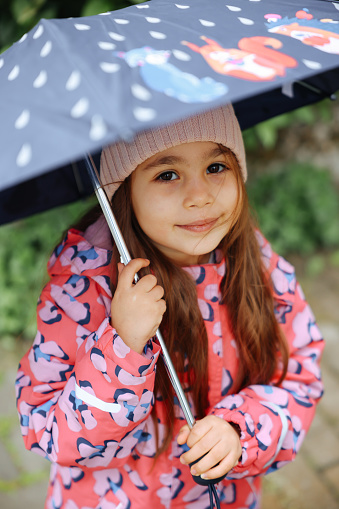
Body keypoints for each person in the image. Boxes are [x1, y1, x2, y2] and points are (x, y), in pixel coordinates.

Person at [16, 104, 324, 509]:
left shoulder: (258, 268)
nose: (200, 196)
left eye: (216, 167)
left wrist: (240, 430)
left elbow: (300, 376)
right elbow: (46, 428)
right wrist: (122, 345)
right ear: (123, 191)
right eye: (167, 174)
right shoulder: (84, 289)